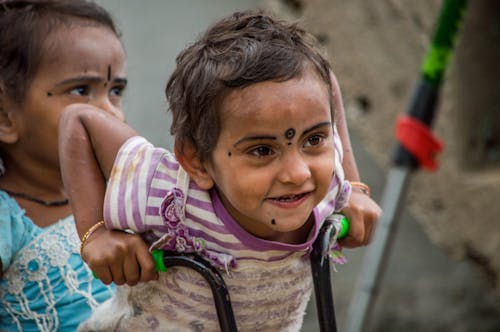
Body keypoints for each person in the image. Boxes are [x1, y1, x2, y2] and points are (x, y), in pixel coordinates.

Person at [59, 10, 380, 331]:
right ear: (197, 161)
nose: (297, 174)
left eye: (314, 138)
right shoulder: (171, 193)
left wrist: (354, 187)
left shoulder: (323, 179)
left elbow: (327, 84)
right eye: (262, 150)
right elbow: (78, 121)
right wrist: (95, 234)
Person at [0, 0, 128, 331]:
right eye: (81, 90)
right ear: (4, 116)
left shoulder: (122, 201)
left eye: (115, 91)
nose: (110, 113)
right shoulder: (6, 221)